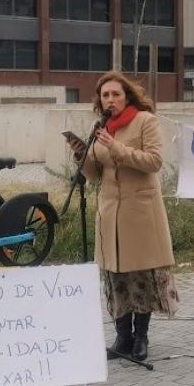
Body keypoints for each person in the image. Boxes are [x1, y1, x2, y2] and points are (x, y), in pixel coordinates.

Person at [69, 71, 178, 362]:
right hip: (110, 214)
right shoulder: (100, 127)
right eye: (105, 95)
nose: (110, 100)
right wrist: (82, 156)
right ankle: (122, 337)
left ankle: (141, 338)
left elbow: (153, 162)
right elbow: (96, 174)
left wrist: (115, 146)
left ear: (127, 95)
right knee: (116, 277)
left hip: (140, 213)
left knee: (140, 276)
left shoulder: (145, 121)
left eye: (116, 94)